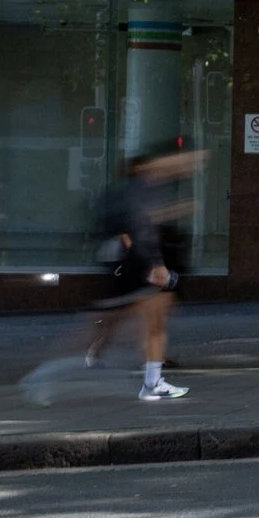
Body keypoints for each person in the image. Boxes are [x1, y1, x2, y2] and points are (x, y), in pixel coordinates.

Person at [85, 151, 187, 400]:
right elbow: (132, 233)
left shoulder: (135, 194)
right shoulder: (133, 196)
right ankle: (148, 377)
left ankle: (150, 374)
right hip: (132, 265)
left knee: (141, 317)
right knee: (134, 317)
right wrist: (152, 264)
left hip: (133, 265)